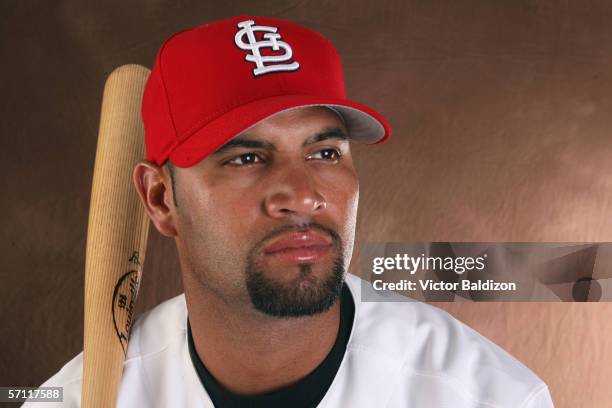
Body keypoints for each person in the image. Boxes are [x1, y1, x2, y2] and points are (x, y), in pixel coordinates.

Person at [32, 15, 554, 407]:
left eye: (325, 153)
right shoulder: (82, 397)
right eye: (246, 158)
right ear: (161, 199)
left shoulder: (489, 396)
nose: (302, 195)